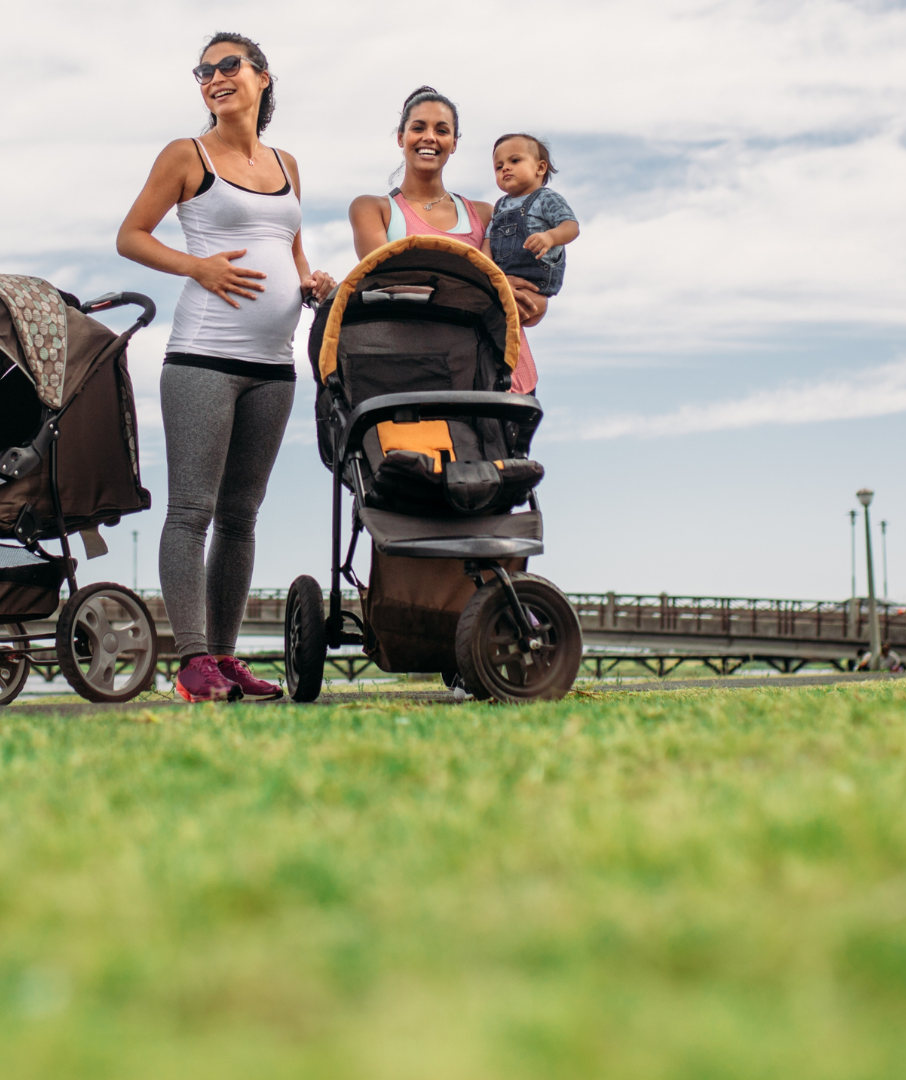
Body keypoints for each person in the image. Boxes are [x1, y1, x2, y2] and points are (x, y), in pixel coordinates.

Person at [117, 31, 337, 702]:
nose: (214, 77)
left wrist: (308, 280)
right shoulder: (186, 155)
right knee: (192, 511)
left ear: (262, 77)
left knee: (241, 515)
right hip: (203, 359)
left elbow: (287, 247)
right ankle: (190, 663)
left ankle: (224, 657)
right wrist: (198, 266)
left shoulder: (288, 163)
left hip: (274, 363)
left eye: (227, 65)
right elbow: (131, 236)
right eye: (203, 70)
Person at [348, 86, 545, 393]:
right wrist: (490, 292)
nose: (430, 137)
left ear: (454, 143)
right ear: (401, 138)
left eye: (442, 130)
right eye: (418, 128)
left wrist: (530, 300)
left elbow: (530, 300)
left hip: (502, 377)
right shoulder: (373, 209)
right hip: (422, 374)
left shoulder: (485, 215)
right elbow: (388, 284)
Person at [485, 134, 579, 303]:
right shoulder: (500, 206)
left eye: (514, 161)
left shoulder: (545, 198)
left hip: (534, 282)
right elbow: (488, 239)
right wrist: (484, 269)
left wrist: (550, 237)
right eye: (499, 167)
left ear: (540, 168)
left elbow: (571, 227)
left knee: (519, 307)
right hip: (502, 279)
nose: (505, 168)